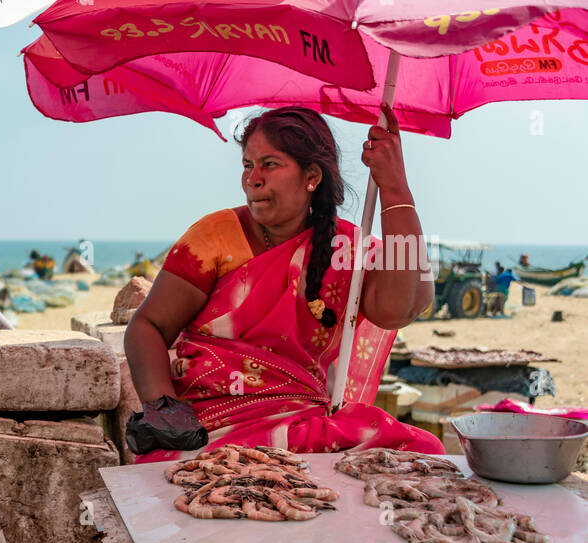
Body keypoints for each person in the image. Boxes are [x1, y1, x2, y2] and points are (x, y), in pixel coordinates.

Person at [124, 105, 442, 461]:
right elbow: (148, 326)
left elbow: (400, 308)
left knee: (423, 450)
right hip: (211, 424)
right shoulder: (214, 236)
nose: (252, 178)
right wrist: (165, 411)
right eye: (247, 165)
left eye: (270, 164)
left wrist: (395, 186)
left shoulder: (346, 249)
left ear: (311, 176)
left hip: (302, 422)